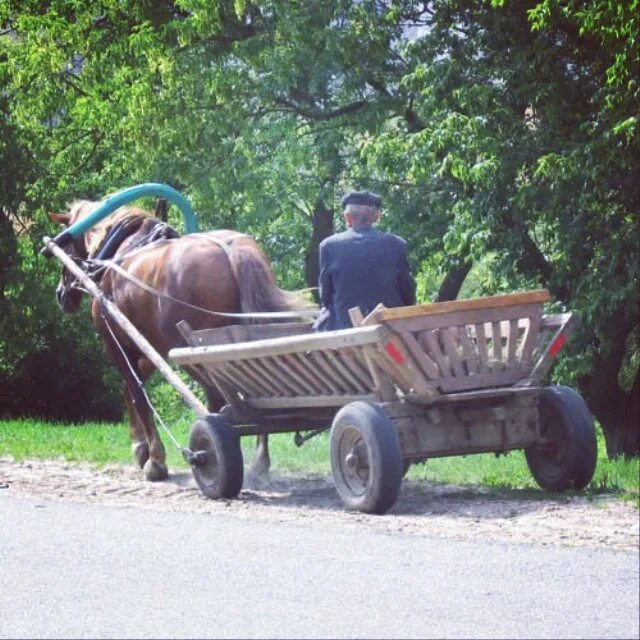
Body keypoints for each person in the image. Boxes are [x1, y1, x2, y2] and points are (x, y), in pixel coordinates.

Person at [313, 190, 416, 331]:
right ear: (377, 217)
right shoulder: (397, 244)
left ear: (348, 217)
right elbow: (408, 294)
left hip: (346, 334)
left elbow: (325, 297)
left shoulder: (329, 246)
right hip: (392, 332)